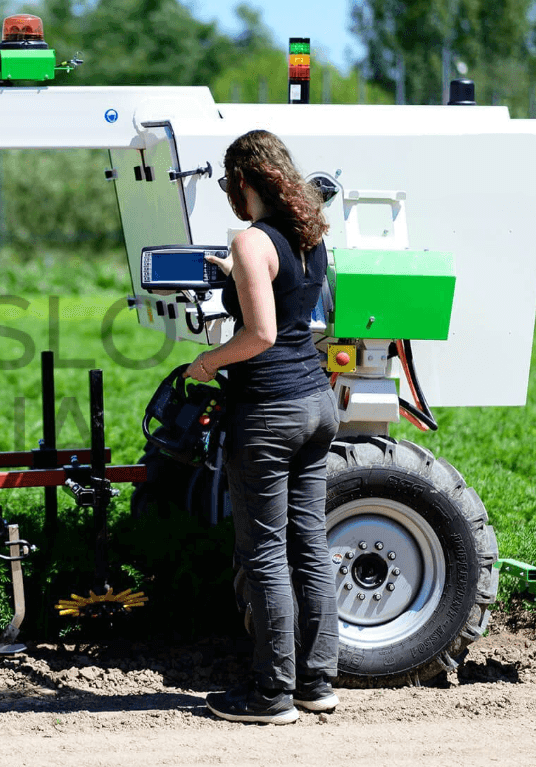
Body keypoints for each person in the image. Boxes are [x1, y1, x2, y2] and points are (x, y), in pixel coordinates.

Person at [184, 129, 340, 725]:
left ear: (245, 180)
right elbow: (289, 300)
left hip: (270, 412)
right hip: (316, 403)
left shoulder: (253, 240)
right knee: (309, 543)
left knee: (266, 554)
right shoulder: (308, 233)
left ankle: (270, 695)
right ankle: (315, 683)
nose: (230, 194)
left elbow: (260, 334)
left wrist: (207, 362)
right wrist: (234, 270)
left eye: (229, 184)